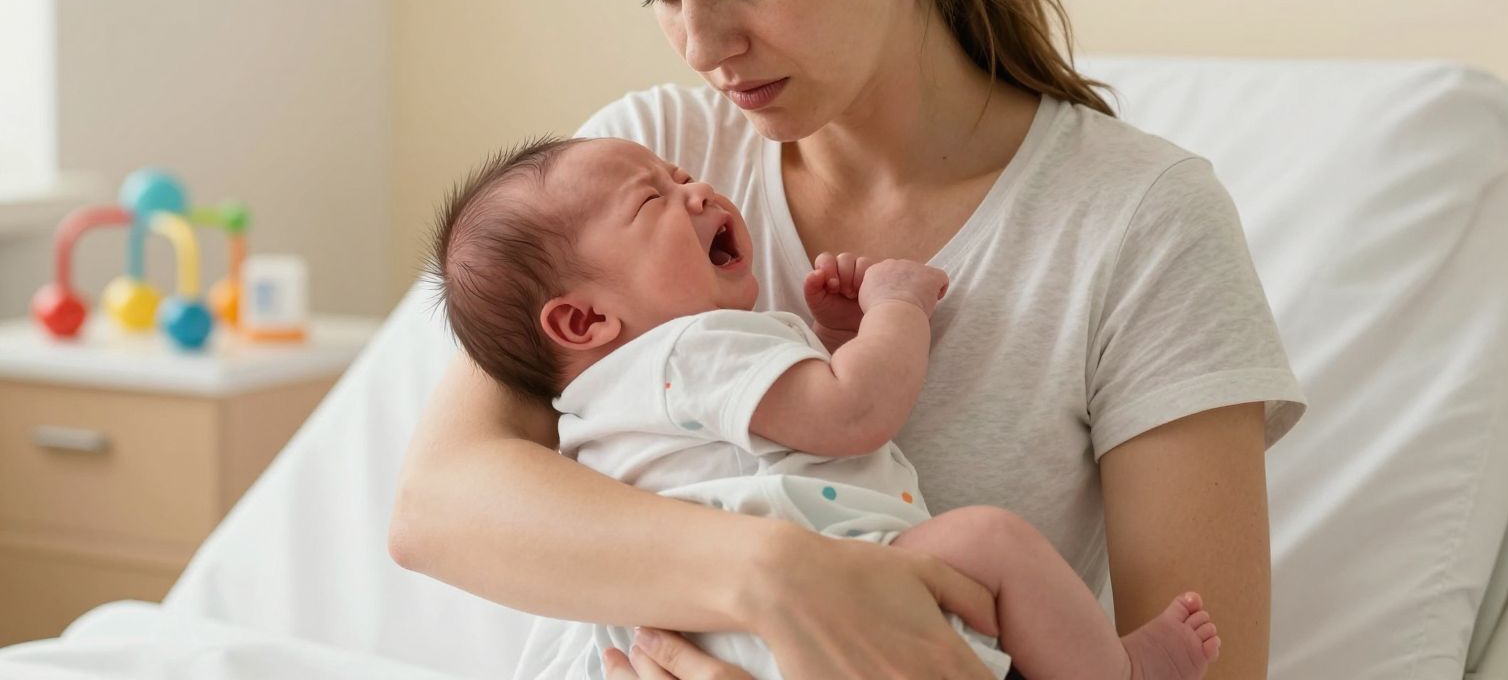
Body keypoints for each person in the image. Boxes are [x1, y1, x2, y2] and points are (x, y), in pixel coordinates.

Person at [390, 0, 1306, 680]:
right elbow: (438, 507)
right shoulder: (636, 160)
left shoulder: (1137, 223)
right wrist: (778, 577)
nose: (701, 43)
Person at [426, 135, 1224, 679]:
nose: (695, 188)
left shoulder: (602, 407)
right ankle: (1116, 671)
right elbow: (852, 417)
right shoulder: (692, 349)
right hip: (828, 620)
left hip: (706, 639)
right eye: (654, 201)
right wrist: (893, 313)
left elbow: (794, 428)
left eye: (678, 176)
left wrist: (828, 344)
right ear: (584, 320)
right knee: (989, 540)